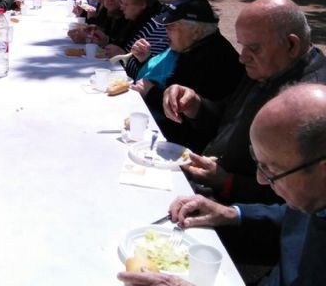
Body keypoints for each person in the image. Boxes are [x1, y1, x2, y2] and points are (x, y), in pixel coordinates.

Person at [118, 83, 326, 286]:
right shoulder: (315, 198)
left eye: (272, 171)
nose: (261, 179)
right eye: (259, 163)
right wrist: (230, 213)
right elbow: (293, 218)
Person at [163, 0, 326, 205]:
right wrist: (196, 106)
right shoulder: (269, 68)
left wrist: (228, 183)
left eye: (254, 48)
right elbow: (229, 120)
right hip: (211, 181)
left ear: (291, 45)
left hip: (237, 207)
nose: (242, 57)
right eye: (242, 46)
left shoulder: (311, 102)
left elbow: (299, 204)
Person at [132, 0, 244, 151]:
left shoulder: (213, 59)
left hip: (190, 150)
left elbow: (189, 118)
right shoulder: (193, 46)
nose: (165, 30)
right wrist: (144, 61)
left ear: (196, 31)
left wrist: (151, 93)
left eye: (171, 26)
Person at [94, 0, 169, 79]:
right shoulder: (139, 18)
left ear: (142, 4)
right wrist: (106, 41)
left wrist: (122, 56)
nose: (121, 7)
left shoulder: (156, 27)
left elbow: (152, 75)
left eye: (125, 4)